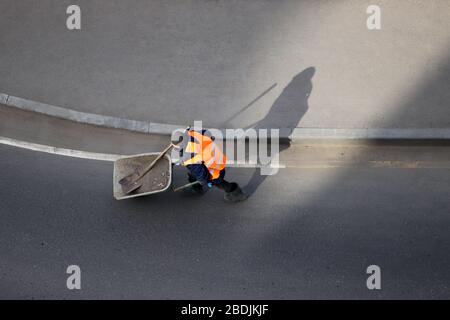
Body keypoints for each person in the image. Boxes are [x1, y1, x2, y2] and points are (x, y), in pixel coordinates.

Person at [178, 127, 247, 202]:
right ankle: (196, 188)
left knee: (218, 182)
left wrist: (204, 182)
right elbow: (207, 134)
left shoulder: (190, 159)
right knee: (193, 175)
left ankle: (236, 193)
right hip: (215, 159)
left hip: (212, 170)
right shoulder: (190, 134)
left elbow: (202, 176)